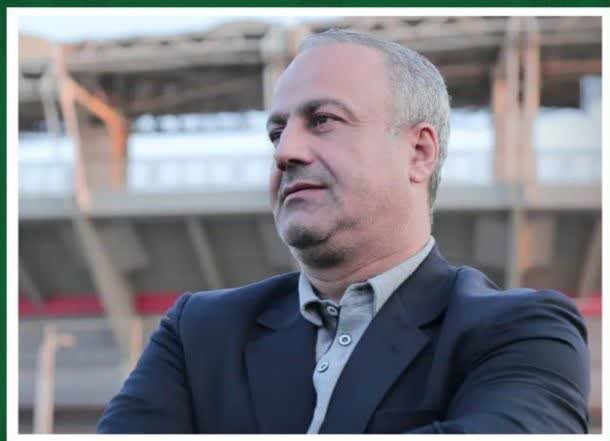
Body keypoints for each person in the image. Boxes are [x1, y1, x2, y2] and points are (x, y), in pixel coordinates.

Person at [97, 29, 590, 434]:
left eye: (323, 120)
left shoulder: (521, 334)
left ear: (419, 152)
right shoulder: (198, 334)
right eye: (276, 132)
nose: (284, 152)